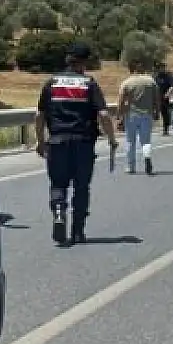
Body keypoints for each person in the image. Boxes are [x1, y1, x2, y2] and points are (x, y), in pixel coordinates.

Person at [34, 42, 117, 246]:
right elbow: (104, 114)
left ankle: (59, 212)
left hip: (57, 142)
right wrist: (112, 139)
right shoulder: (89, 84)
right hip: (83, 143)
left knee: (58, 184)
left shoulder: (51, 83)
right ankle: (78, 231)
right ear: (85, 62)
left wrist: (40, 142)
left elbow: (39, 115)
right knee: (81, 187)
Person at [117, 52, 160, 176]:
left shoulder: (126, 83)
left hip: (131, 115)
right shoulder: (150, 81)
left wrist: (119, 117)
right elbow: (157, 98)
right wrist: (157, 111)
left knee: (130, 141)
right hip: (147, 115)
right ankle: (147, 158)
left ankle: (130, 166)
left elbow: (121, 101)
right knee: (146, 141)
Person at [154, 61, 173, 136]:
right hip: (157, 96)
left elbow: (171, 86)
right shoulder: (156, 76)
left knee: (165, 113)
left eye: (162, 67)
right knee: (157, 112)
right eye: (159, 68)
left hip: (165, 97)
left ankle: (165, 129)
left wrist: (168, 94)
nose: (161, 69)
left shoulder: (168, 76)